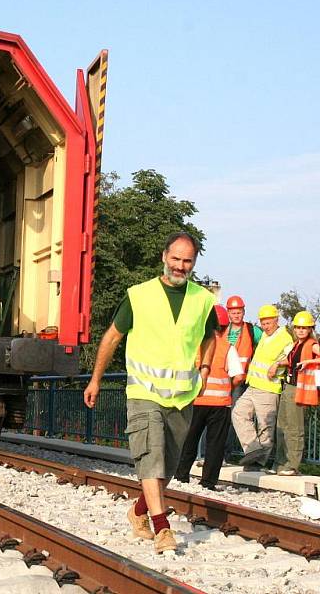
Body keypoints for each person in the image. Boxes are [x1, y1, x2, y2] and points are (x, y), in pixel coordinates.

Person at [83, 232, 217, 554]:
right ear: (164, 257)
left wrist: (205, 369)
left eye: (187, 261)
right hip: (143, 391)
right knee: (151, 457)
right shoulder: (139, 295)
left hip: (182, 396)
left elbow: (210, 337)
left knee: (166, 467)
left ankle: (139, 511)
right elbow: (112, 337)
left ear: (194, 263)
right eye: (176, 259)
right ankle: (162, 528)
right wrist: (95, 379)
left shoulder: (202, 300)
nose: (180, 266)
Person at [175, 305, 244, 490]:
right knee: (215, 445)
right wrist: (227, 388)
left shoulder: (194, 345)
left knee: (189, 439)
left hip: (196, 401)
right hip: (220, 405)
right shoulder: (227, 348)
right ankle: (208, 482)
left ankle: (181, 476)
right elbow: (238, 376)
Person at [230, 304, 294, 470]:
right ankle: (253, 450)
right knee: (238, 412)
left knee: (265, 426)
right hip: (253, 385)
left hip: (268, 388)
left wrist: (278, 364)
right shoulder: (265, 336)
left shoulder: (285, 338)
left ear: (276, 320)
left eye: (268, 323)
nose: (265, 327)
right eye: (263, 323)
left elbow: (293, 358)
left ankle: (258, 463)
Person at [272, 311, 319, 476]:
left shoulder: (312, 344)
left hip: (299, 389)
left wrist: (310, 361)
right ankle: (280, 463)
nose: (300, 330)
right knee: (281, 427)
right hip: (289, 387)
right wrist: (277, 364)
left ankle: (292, 465)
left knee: (294, 428)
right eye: (298, 327)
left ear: (310, 329)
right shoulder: (296, 344)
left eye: (304, 328)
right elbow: (291, 361)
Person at [223, 295, 262, 462]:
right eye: (233, 312)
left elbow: (267, 345)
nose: (236, 315)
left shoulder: (253, 330)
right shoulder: (223, 329)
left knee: (234, 416)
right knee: (219, 417)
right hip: (223, 379)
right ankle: (215, 453)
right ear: (228, 313)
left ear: (243, 312)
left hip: (241, 381)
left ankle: (226, 453)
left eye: (239, 312)